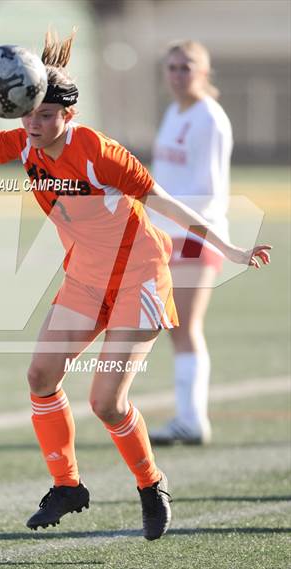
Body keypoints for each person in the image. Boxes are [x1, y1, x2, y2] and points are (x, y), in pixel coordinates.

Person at [0, 29, 270, 540]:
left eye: (46, 116)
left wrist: (230, 250)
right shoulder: (26, 144)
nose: (35, 124)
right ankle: (67, 486)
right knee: (40, 375)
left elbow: (163, 202)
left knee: (106, 402)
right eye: (29, 114)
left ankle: (150, 483)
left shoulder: (96, 149)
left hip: (139, 279)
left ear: (68, 115)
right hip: (86, 280)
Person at [148, 41, 233, 445]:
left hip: (195, 234)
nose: (179, 74)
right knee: (175, 328)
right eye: (173, 67)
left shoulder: (209, 118)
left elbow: (209, 191)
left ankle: (192, 419)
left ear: (205, 71)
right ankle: (188, 418)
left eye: (187, 67)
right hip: (169, 233)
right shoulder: (173, 111)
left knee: (185, 326)